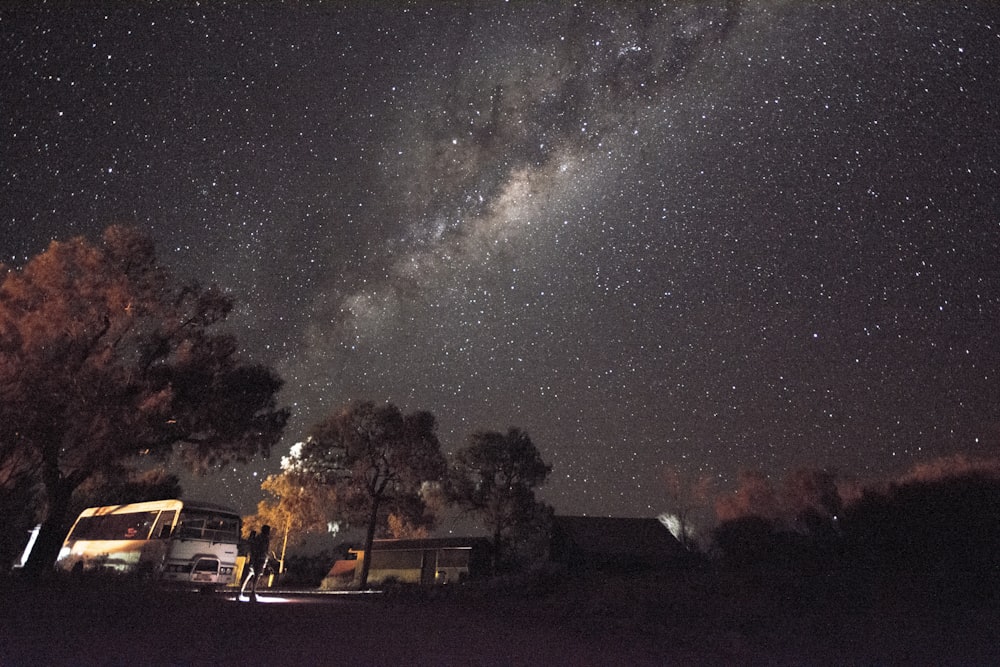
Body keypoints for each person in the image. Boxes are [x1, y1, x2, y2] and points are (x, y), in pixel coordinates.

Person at [240, 525, 271, 601]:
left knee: (249, 575)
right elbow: (265, 550)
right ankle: (253, 593)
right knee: (256, 576)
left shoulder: (258, 538)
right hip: (260, 559)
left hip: (254, 558)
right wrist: (266, 559)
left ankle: (240, 592)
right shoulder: (265, 539)